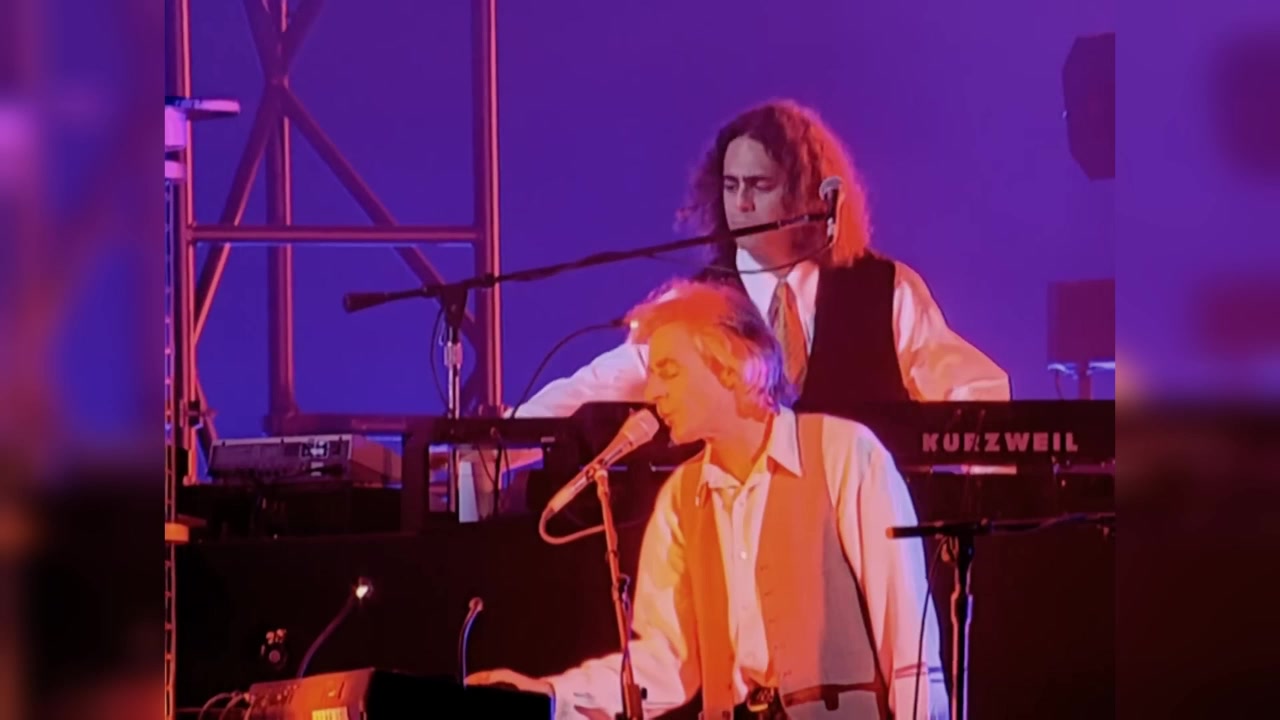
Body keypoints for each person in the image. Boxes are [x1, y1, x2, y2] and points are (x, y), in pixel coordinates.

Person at [468, 279, 948, 719]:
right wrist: (552, 695)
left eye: (669, 371)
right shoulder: (682, 498)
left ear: (731, 365)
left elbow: (908, 637)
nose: (652, 391)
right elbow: (665, 661)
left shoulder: (843, 453)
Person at [513, 98, 1009, 426]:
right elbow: (598, 385)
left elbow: (974, 390)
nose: (742, 204)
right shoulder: (695, 304)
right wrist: (498, 444)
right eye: (731, 186)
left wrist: (982, 493)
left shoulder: (885, 289)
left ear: (808, 193)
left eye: (759, 186)